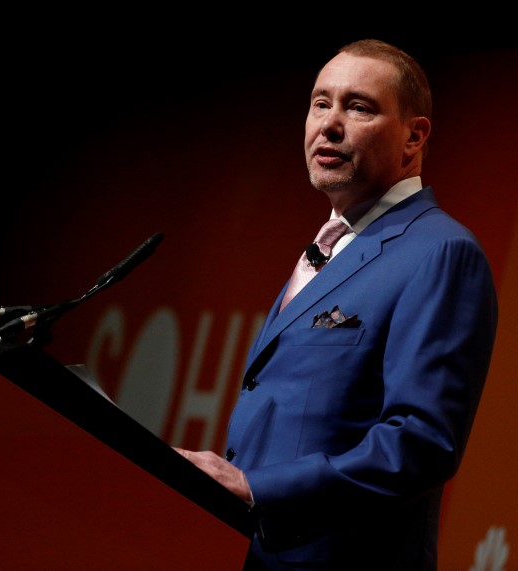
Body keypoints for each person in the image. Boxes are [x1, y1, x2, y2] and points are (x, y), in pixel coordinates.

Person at [173, 39, 498, 570]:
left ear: (414, 136)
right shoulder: (331, 245)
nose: (329, 123)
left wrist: (259, 488)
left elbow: (421, 443)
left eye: (359, 106)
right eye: (320, 103)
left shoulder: (440, 251)